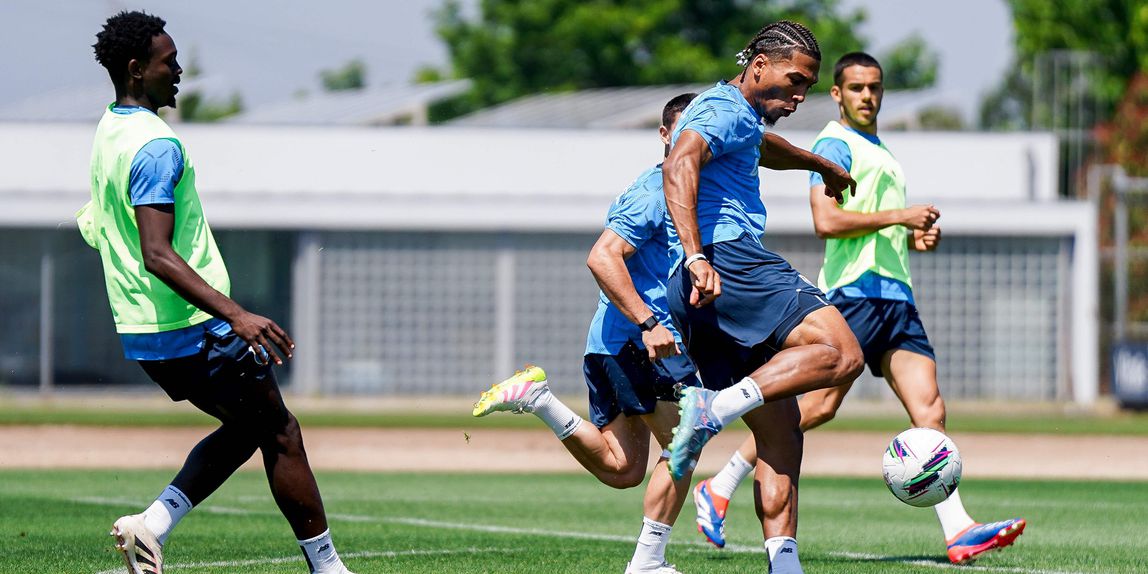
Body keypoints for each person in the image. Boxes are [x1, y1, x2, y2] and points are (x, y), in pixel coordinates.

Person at [689, 51, 1026, 564]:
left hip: (896, 296)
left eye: (875, 87)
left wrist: (912, 237)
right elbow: (826, 221)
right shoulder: (835, 144)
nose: (868, 96)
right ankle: (720, 485)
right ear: (837, 94)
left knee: (930, 409)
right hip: (854, 292)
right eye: (857, 87)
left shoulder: (882, 151)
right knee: (815, 407)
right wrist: (901, 216)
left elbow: (878, 226)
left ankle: (958, 529)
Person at [79, 11, 354, 574]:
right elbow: (157, 252)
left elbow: (98, 223)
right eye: (169, 62)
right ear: (136, 69)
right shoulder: (156, 146)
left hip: (146, 332)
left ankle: (153, 526)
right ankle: (328, 569)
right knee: (281, 432)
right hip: (193, 327)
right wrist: (238, 315)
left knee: (250, 426)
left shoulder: (110, 130)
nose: (179, 71)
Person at [660, 20, 865, 573]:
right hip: (727, 262)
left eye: (808, 87)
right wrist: (697, 255)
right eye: (794, 81)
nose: (800, 96)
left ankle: (783, 565)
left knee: (780, 433)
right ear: (758, 67)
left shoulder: (739, 117)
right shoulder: (721, 108)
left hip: (700, 291)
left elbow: (762, 146)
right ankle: (714, 409)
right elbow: (680, 163)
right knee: (842, 351)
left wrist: (819, 164)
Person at [473, 94, 703, 574]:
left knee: (624, 469)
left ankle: (539, 399)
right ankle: (648, 562)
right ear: (664, 136)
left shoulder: (691, 187)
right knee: (685, 441)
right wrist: (649, 324)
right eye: (683, 130)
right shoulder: (656, 189)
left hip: (614, 343)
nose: (693, 140)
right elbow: (602, 257)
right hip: (639, 342)